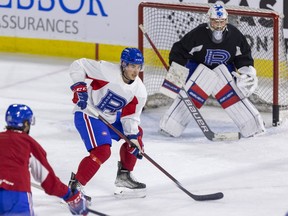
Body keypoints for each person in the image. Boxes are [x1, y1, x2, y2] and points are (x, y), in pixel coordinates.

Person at [159, 1, 265, 138]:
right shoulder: (198, 34)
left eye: (222, 21)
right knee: (192, 93)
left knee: (233, 94)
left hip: (224, 70)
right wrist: (177, 72)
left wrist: (248, 73)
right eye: (216, 22)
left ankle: (253, 126)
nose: (219, 25)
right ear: (209, 20)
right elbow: (180, 50)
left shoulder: (235, 35)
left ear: (226, 20)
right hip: (198, 69)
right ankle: (170, 126)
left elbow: (243, 56)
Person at [68, 47, 147, 198]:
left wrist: (132, 138)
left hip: (109, 117)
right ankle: (75, 186)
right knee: (102, 151)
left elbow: (130, 116)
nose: (135, 71)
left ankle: (124, 176)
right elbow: (79, 65)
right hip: (88, 112)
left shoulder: (139, 90)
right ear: (123, 65)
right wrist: (80, 86)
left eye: (138, 67)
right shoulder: (106, 71)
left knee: (136, 135)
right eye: (132, 66)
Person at [0, 104, 88, 215]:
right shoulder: (28, 143)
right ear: (26, 124)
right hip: (17, 196)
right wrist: (70, 195)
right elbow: (47, 180)